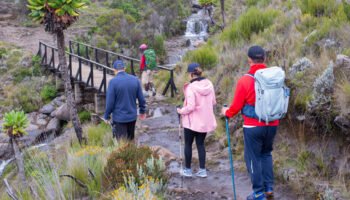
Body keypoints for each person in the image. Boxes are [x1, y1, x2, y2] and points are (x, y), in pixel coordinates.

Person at [221, 46, 279, 200]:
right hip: (272, 123)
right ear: (264, 59)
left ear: (249, 60)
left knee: (253, 158)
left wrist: (226, 112)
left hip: (253, 126)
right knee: (266, 154)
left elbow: (236, 106)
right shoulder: (275, 76)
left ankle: (258, 193)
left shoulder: (245, 80)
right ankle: (269, 188)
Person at [177, 63, 217, 178]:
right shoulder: (209, 84)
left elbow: (190, 107)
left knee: (188, 144)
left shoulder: (191, 87)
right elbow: (213, 102)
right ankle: (202, 170)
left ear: (191, 74)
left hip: (191, 122)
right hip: (204, 121)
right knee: (200, 144)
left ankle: (188, 170)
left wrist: (180, 111)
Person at [103, 59, 146, 140]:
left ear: (114, 70)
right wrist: (142, 111)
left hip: (119, 119)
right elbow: (141, 99)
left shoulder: (113, 82)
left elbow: (110, 103)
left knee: (122, 145)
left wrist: (106, 115)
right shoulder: (135, 80)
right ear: (124, 68)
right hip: (132, 117)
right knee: (130, 141)